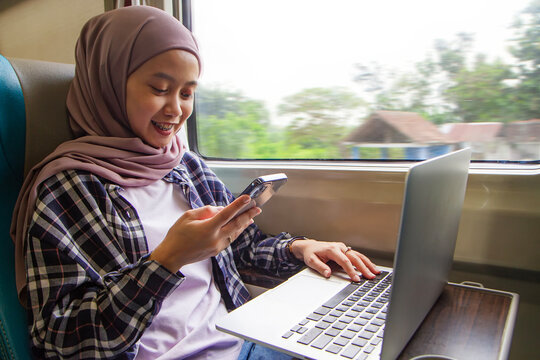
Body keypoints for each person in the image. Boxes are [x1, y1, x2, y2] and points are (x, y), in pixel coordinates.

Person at [10, 6, 380, 360]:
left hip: (239, 343)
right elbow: (62, 340)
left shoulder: (185, 166)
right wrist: (167, 260)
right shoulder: (67, 189)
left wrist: (301, 248)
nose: (176, 109)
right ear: (108, 85)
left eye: (187, 93)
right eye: (159, 88)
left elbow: (242, 250)